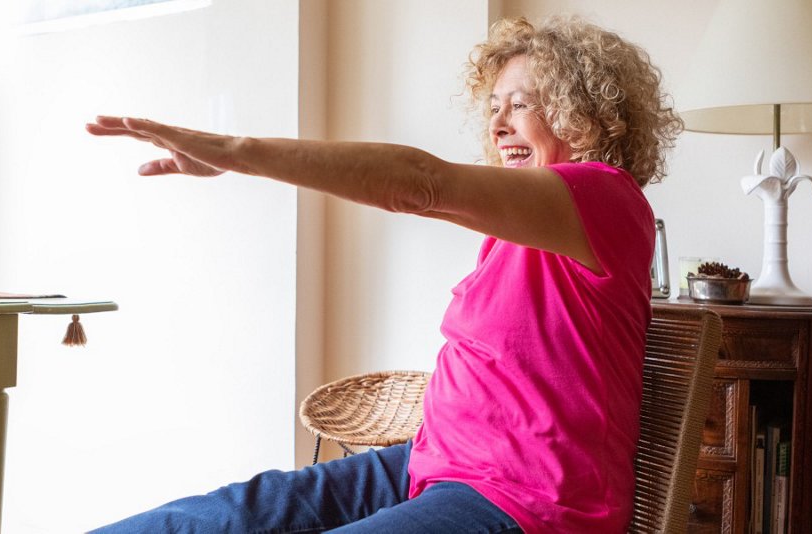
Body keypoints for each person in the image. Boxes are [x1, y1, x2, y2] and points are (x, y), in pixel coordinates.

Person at [85, 15, 682, 534]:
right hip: (427, 462)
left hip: (527, 502)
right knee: (213, 518)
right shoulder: (518, 231)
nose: (499, 124)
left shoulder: (604, 197)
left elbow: (420, 184)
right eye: (494, 106)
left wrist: (237, 151)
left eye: (521, 104)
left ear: (582, 115)